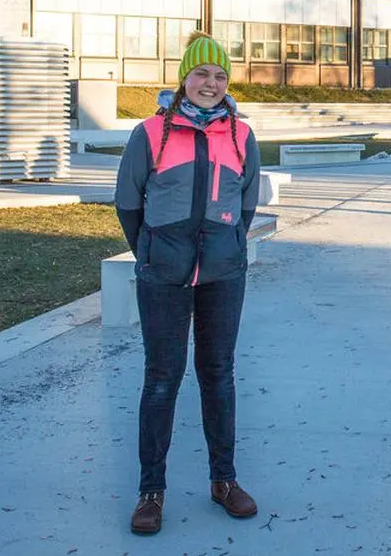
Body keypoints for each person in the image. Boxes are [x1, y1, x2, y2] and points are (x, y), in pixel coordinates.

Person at [115, 31, 262, 535]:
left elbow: (246, 206)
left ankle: (224, 481)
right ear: (183, 77)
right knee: (162, 379)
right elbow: (128, 203)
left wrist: (229, 249)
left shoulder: (242, 135)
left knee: (218, 375)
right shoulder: (151, 133)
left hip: (223, 274)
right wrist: (153, 255)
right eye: (202, 73)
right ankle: (150, 491)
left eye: (220, 76)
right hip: (164, 277)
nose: (211, 83)